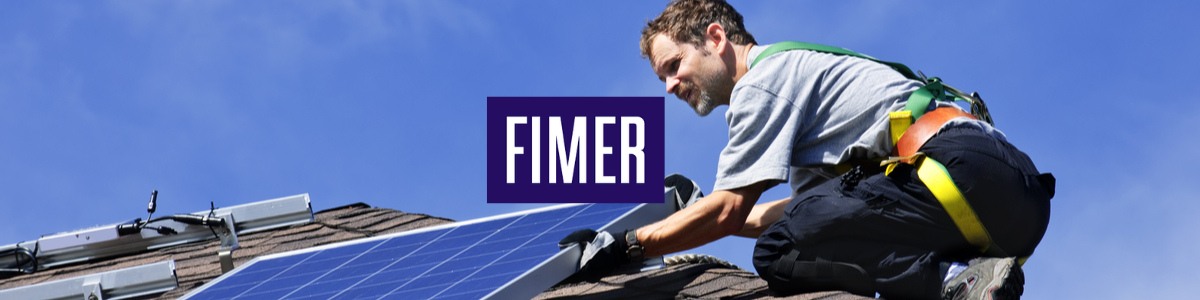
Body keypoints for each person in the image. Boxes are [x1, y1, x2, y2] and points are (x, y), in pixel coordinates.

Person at [558, 1, 1054, 299]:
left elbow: (732, 211)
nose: (669, 86)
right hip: (1012, 202)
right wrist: (696, 210)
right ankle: (973, 280)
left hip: (955, 173)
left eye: (674, 65)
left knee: (779, 253)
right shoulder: (801, 79)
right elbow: (801, 212)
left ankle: (949, 284)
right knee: (802, 228)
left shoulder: (763, 83)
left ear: (715, 37)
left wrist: (628, 245)